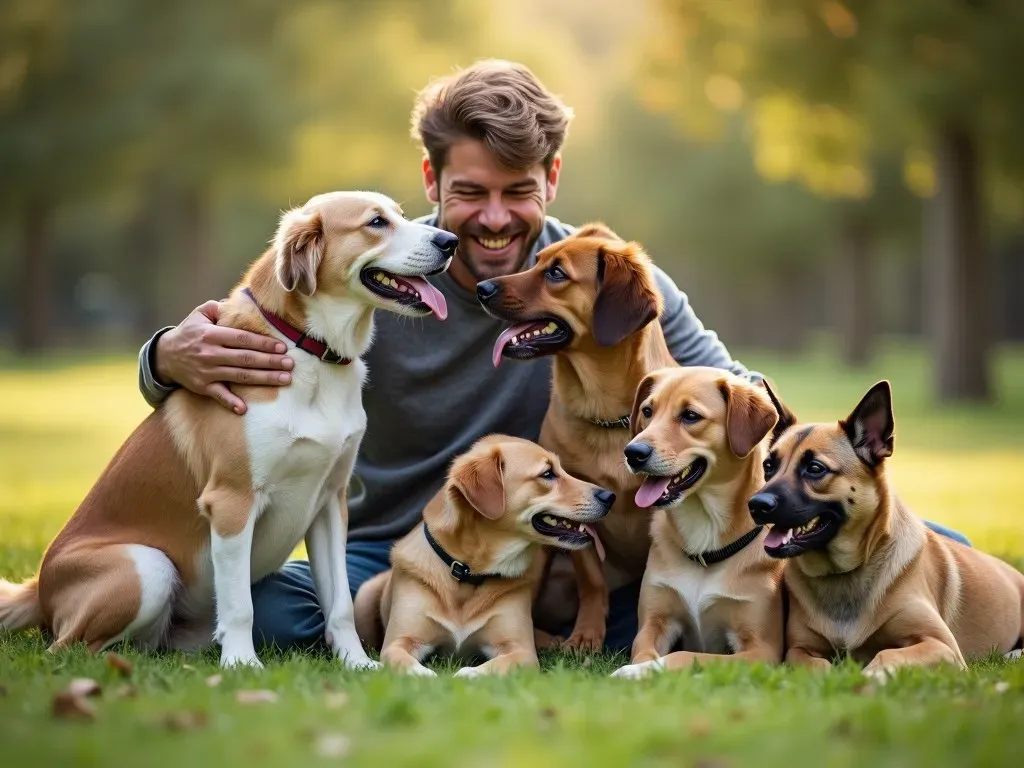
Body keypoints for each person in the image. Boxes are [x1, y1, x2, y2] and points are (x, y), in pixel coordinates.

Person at [137, 59, 970, 654]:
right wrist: (165, 357)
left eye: (518, 192)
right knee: (291, 616)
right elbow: (230, 344)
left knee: (933, 545)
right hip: (394, 543)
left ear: (553, 178)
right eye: (469, 193)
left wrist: (762, 443)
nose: (495, 220)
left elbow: (735, 384)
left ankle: (600, 630)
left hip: (562, 552)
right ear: (431, 179)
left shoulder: (606, 277)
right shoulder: (370, 275)